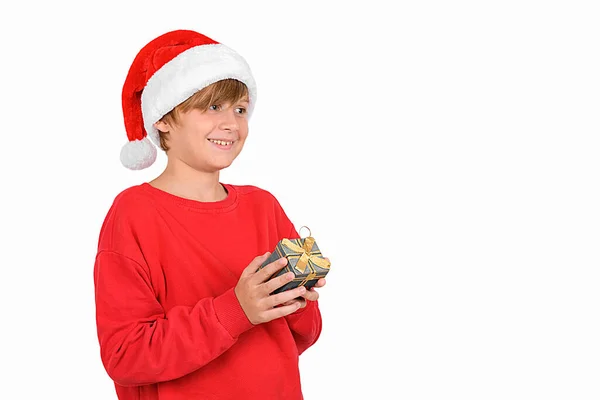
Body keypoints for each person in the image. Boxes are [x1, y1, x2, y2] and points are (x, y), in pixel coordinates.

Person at [93, 29, 327, 400]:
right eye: (212, 107)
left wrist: (295, 298)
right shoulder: (134, 214)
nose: (231, 124)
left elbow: (303, 334)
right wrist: (237, 309)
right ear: (163, 119)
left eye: (240, 109)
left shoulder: (262, 206)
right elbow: (125, 355)